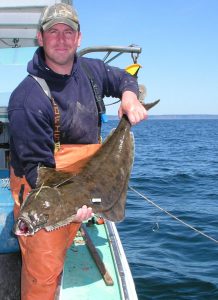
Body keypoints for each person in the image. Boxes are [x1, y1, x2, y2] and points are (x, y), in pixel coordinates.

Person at [8, 3, 147, 300]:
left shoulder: (91, 71)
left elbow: (124, 78)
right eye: (53, 32)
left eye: (67, 31)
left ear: (78, 38)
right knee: (41, 274)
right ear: (40, 38)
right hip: (43, 185)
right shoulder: (27, 98)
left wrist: (130, 96)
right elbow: (37, 172)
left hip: (86, 178)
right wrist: (70, 211)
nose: (61, 38)